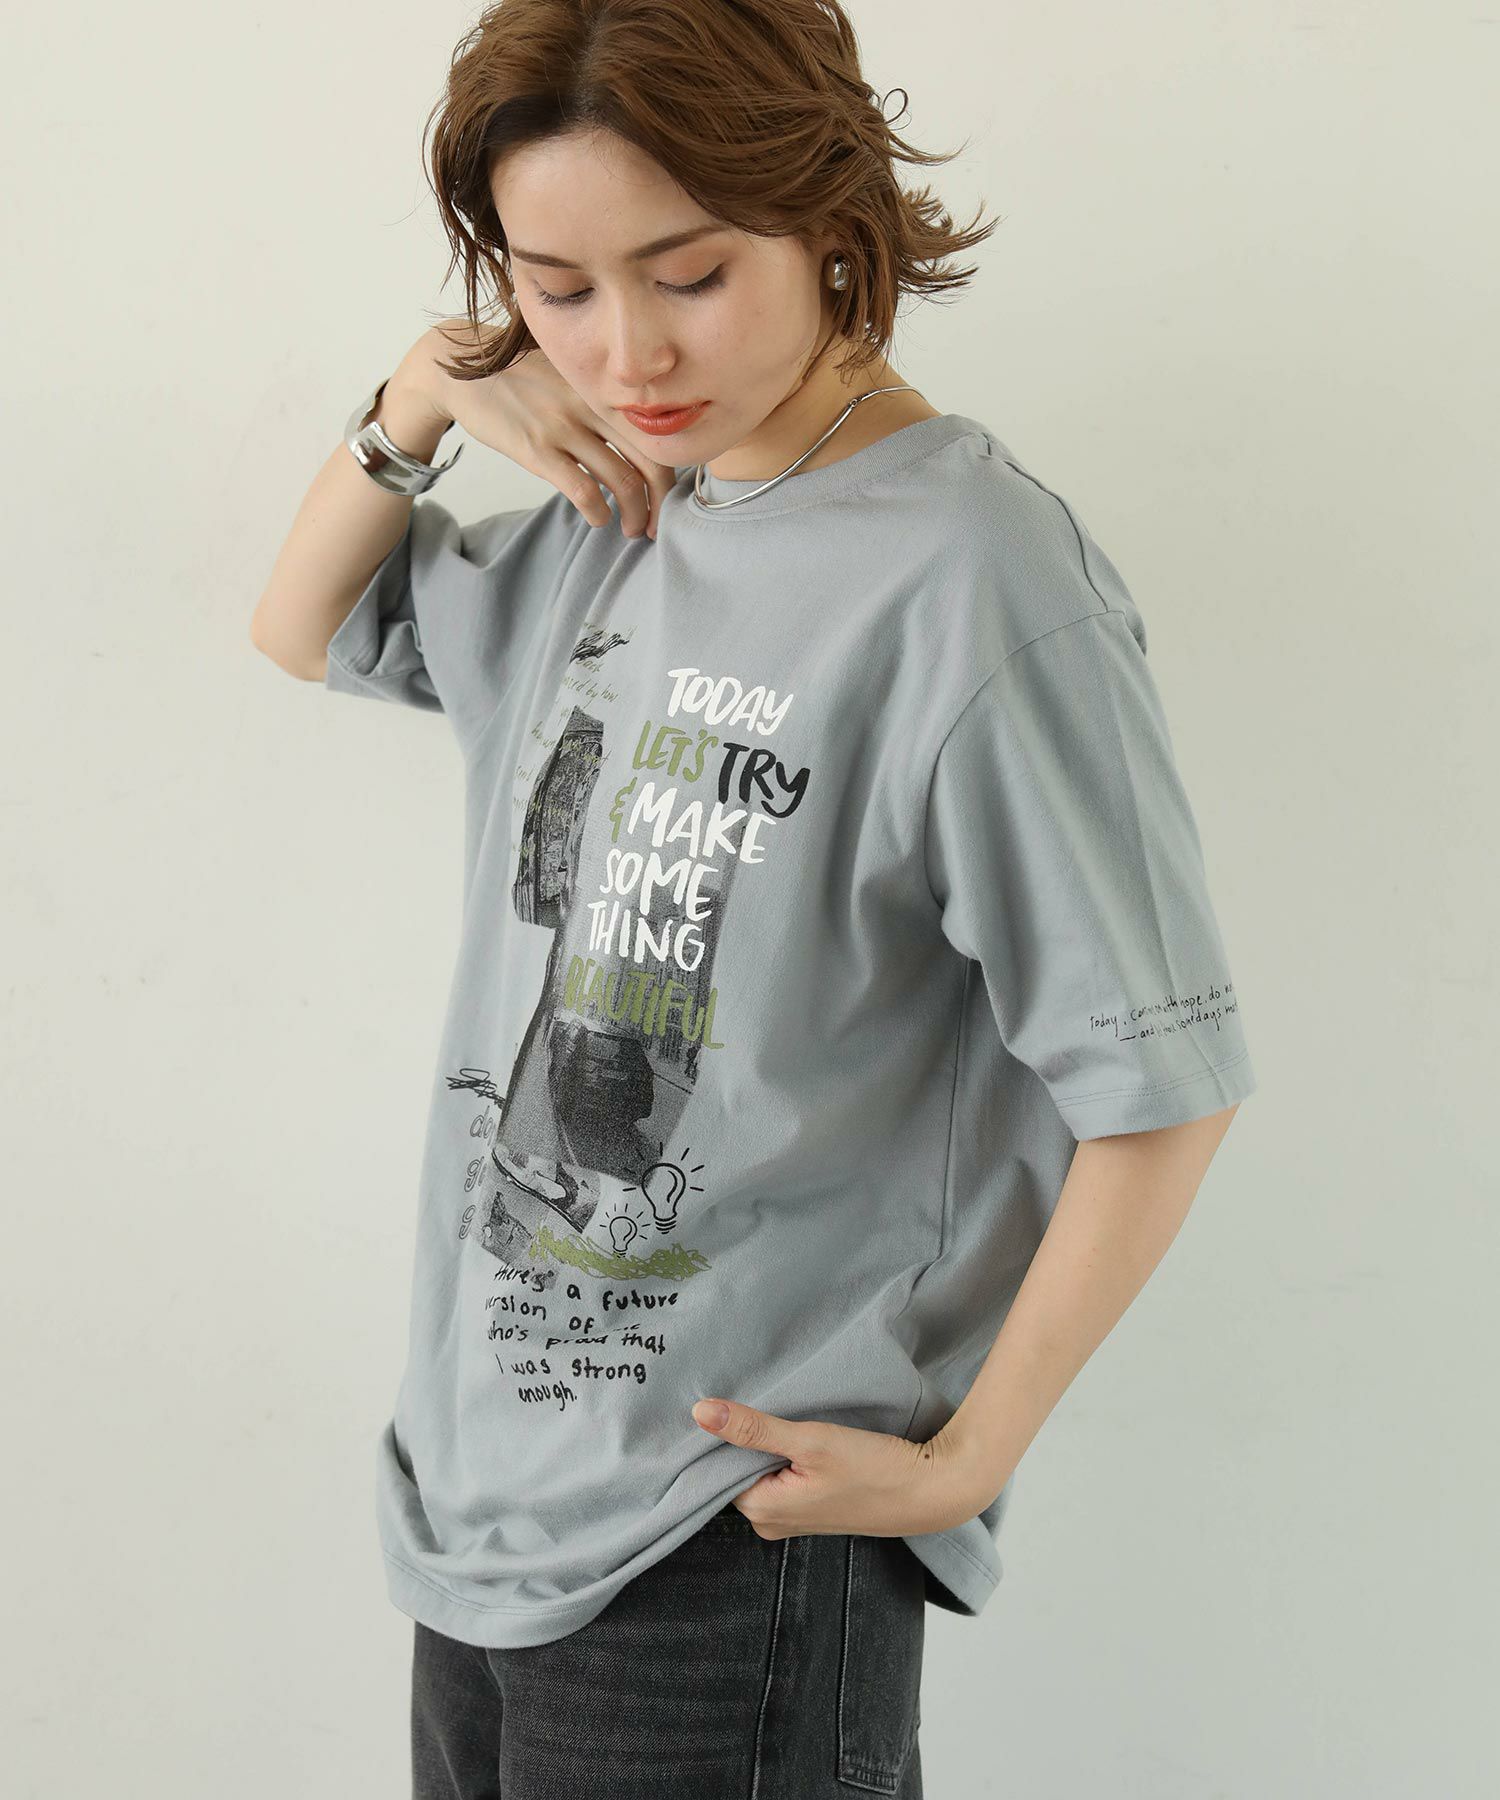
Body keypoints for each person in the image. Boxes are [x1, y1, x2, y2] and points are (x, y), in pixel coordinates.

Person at [250, 2, 1259, 1794]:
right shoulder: (618, 511)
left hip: (733, 1535)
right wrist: (425, 390)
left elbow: (1162, 1082)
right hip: (478, 1512)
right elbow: (305, 625)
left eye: (691, 272)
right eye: (557, 287)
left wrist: (965, 1462)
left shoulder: (975, 577)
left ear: (829, 216)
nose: (626, 350)